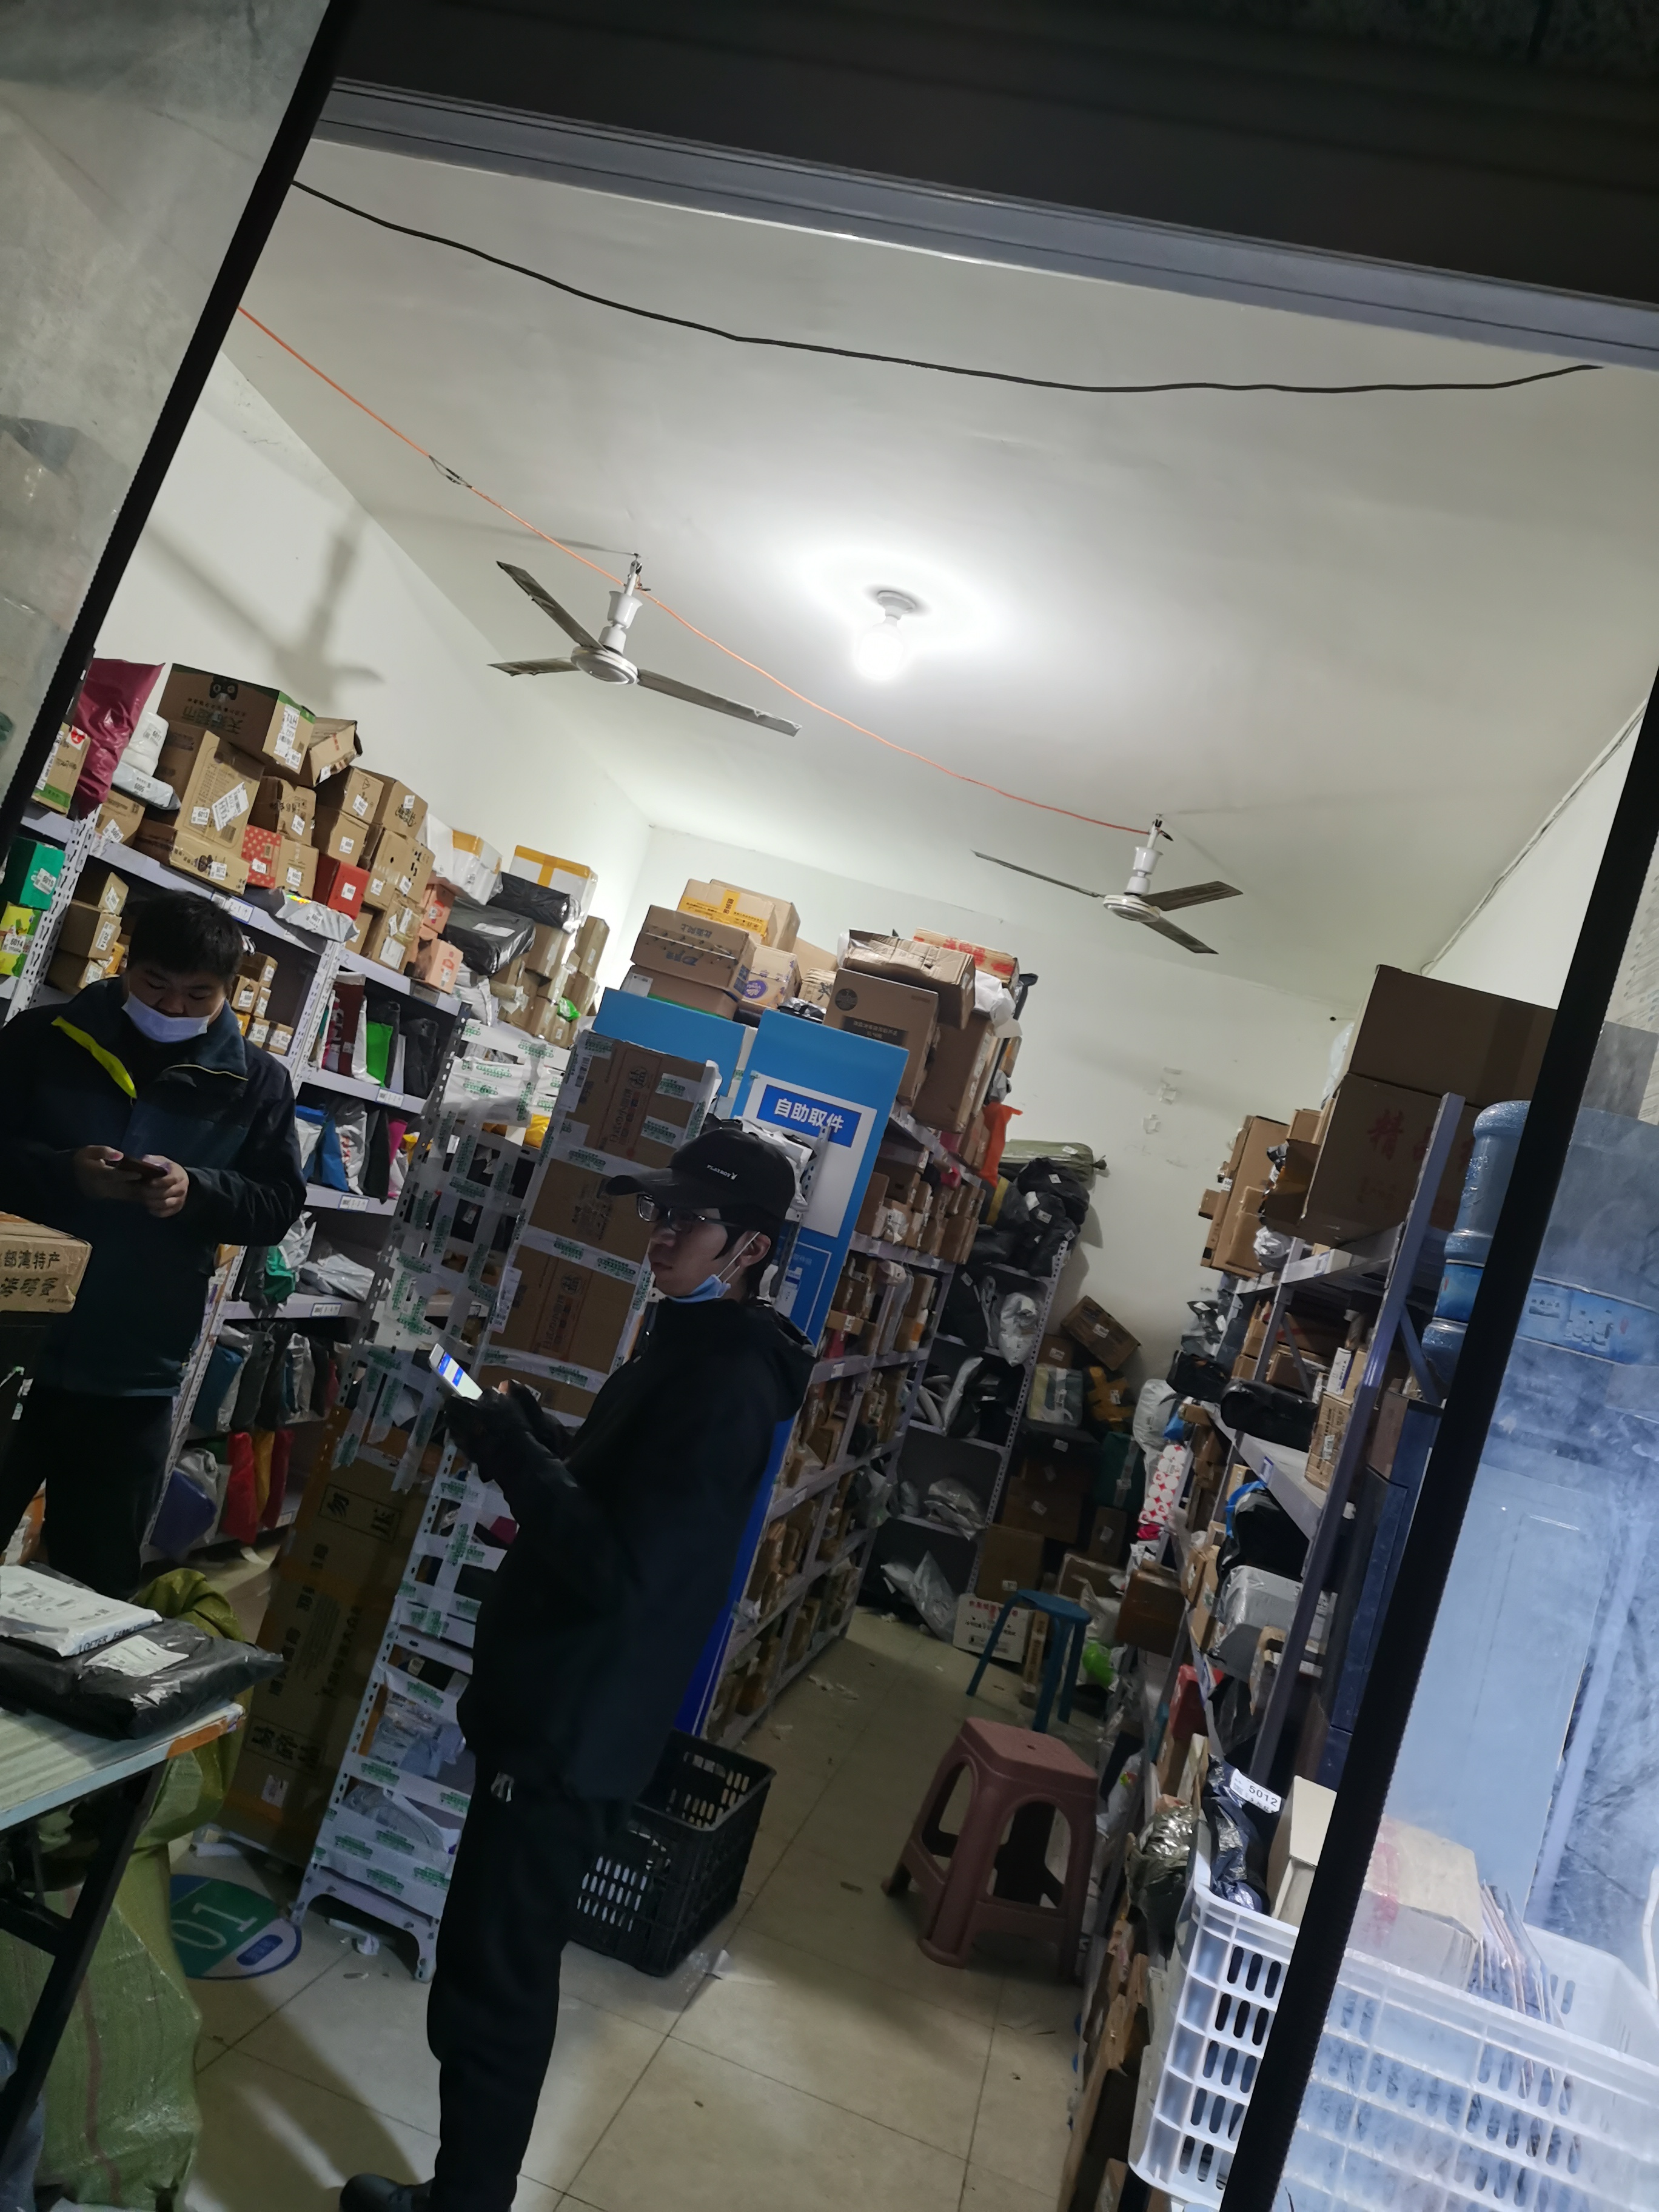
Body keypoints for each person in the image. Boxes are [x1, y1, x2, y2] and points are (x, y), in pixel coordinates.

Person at [343, 1124, 815, 2212]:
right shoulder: (690, 1341)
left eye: (688, 1219)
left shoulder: (726, 1380)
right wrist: (538, 1432)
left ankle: (465, 2203)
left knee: (496, 1982)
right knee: (488, 1961)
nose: (661, 1233)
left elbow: (621, 1571)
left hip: (573, 1728)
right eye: (658, 1210)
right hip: (561, 1705)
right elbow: (627, 1498)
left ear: (749, 1247)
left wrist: (511, 1455)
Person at [0, 890, 306, 1595]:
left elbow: (276, 1206)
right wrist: (64, 1173)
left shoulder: (257, 1084)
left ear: (228, 992)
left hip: (132, 1373)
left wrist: (196, 1193)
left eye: (197, 995)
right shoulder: (43, 1038)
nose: (171, 1007)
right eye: (155, 985)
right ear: (126, 965)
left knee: (89, 1589)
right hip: (10, 1347)